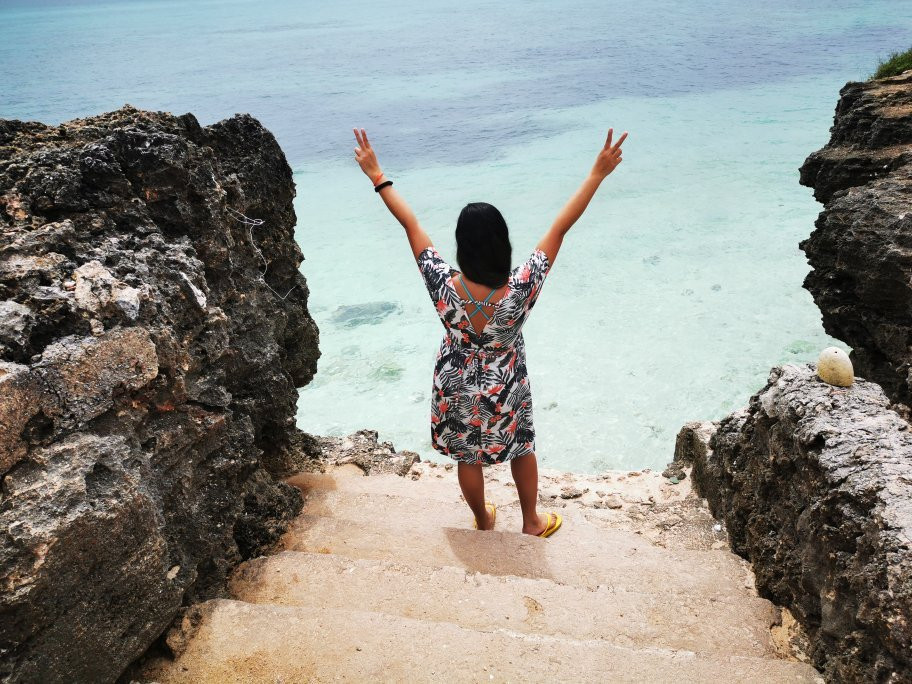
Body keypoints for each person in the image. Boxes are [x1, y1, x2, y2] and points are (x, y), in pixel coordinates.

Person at [353, 126, 626, 537]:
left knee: (467, 456)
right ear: (503, 243)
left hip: (456, 382)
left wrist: (378, 175)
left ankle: (483, 519)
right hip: (507, 383)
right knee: (522, 447)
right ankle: (531, 522)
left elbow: (410, 224)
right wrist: (596, 175)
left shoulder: (443, 283)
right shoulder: (521, 287)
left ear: (462, 246)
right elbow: (560, 228)